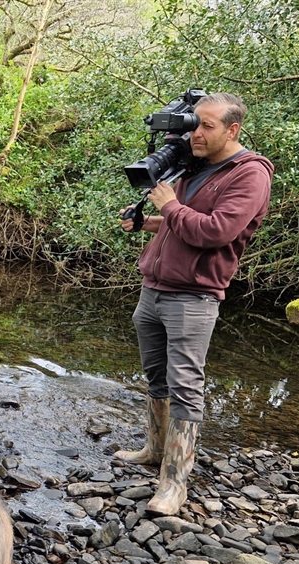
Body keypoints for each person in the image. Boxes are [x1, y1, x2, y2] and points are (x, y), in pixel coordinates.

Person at [116, 92, 274, 516]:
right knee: (156, 378)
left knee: (186, 385)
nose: (194, 133)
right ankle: (154, 450)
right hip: (155, 287)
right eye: (192, 124)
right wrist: (145, 221)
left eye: (206, 126)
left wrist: (168, 204)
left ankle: (175, 483)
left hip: (193, 295)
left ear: (232, 130)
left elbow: (216, 232)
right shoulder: (195, 166)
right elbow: (179, 221)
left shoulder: (250, 175)